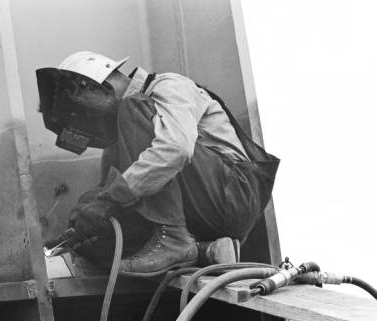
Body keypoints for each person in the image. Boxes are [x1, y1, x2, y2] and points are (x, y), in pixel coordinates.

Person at [36, 51, 279, 277]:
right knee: (93, 230)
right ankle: (204, 250)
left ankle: (173, 239)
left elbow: (176, 149)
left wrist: (110, 199)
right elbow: (113, 190)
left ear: (94, 85)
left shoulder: (167, 87)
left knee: (131, 110)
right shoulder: (127, 131)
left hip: (232, 197)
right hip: (201, 215)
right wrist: (86, 218)